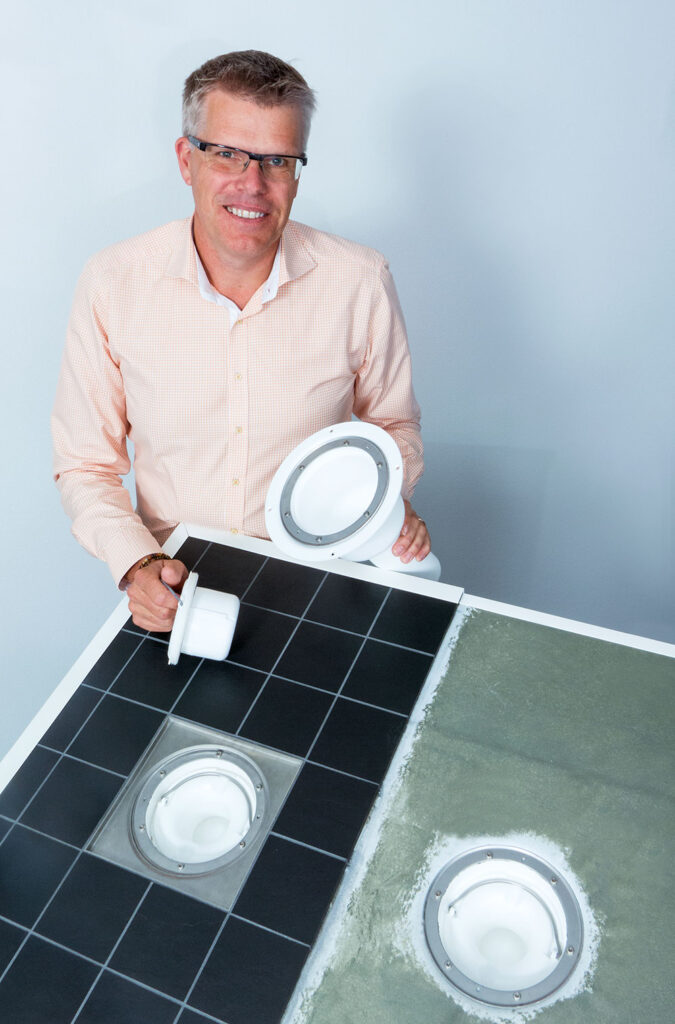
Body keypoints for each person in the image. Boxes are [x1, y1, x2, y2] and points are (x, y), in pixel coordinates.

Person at [52, 50, 431, 633]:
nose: (252, 184)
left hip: (320, 581)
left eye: (277, 160)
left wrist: (382, 507)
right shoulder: (113, 282)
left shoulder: (360, 279)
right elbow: (85, 465)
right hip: (177, 588)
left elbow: (395, 428)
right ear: (187, 160)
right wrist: (139, 563)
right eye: (227, 153)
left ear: (297, 172)